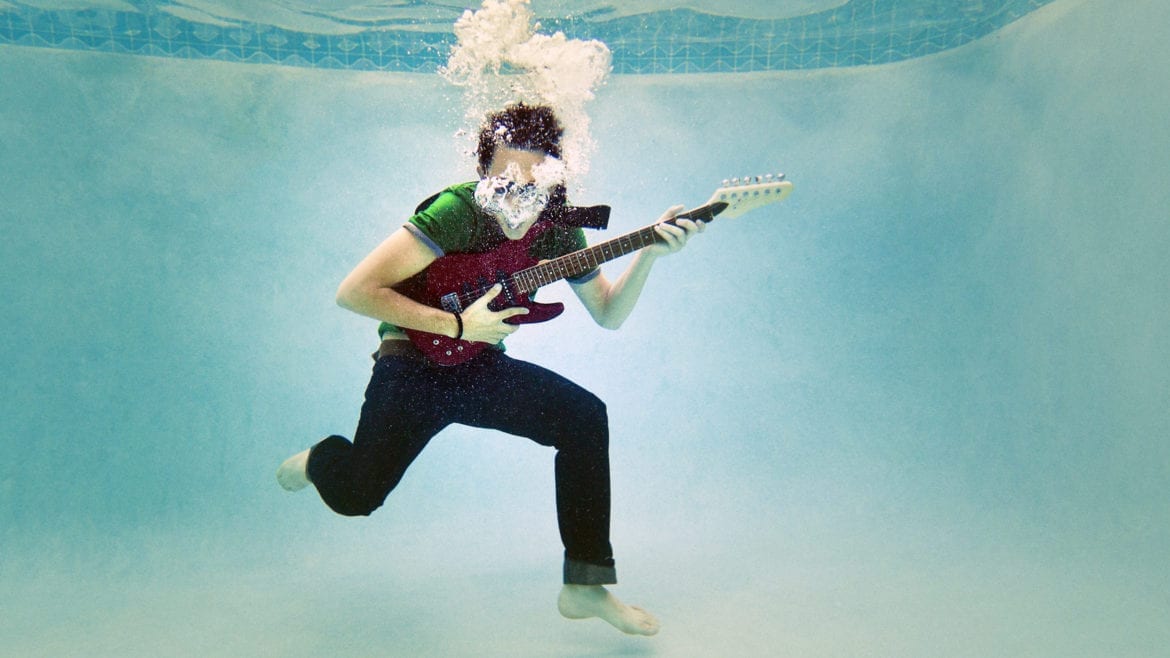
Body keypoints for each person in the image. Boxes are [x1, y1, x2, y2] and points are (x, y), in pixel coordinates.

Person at [277, 103, 703, 636]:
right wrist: (455, 326)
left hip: (478, 369)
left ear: (554, 181)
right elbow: (354, 292)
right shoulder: (457, 210)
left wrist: (649, 257)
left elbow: (609, 315)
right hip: (410, 363)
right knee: (358, 497)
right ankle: (321, 459)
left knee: (584, 418)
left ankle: (585, 586)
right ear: (484, 176)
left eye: (533, 187)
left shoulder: (558, 229)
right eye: (503, 184)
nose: (517, 201)